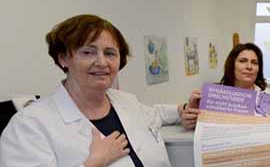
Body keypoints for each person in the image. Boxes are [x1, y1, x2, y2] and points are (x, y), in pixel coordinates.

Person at [0, 14, 197, 167]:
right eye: (88, 52)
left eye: (110, 53)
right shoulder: (29, 125)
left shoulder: (126, 101)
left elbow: (155, 114)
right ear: (63, 58)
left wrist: (184, 109)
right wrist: (93, 162)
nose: (102, 62)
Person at [180, 43, 270, 129]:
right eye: (242, 61)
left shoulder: (269, 95)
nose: (249, 67)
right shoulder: (213, 95)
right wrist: (190, 120)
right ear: (232, 65)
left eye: (254, 63)